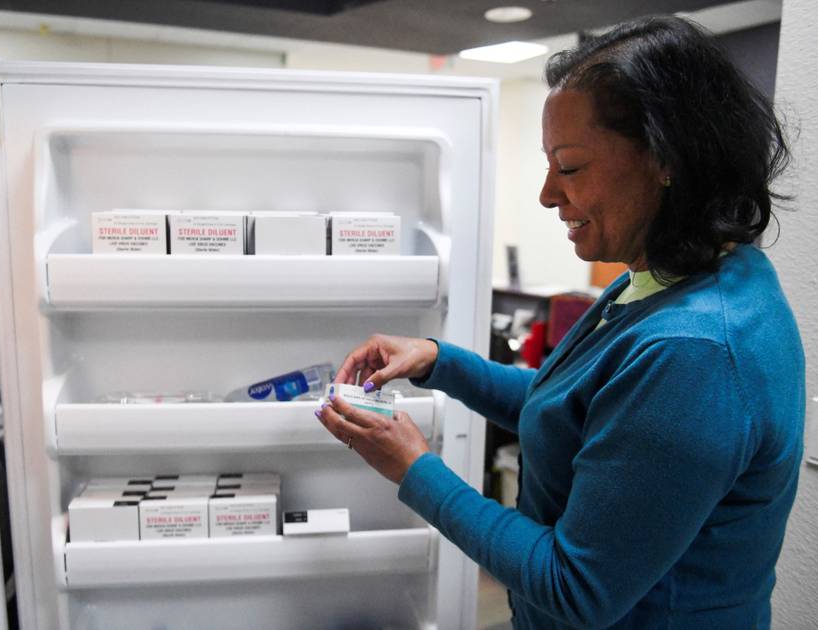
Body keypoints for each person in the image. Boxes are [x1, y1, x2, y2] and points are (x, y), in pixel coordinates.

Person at [314, 15, 805, 630]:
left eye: (569, 168)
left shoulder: (696, 351)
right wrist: (440, 361)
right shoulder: (673, 276)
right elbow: (576, 410)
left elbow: (576, 588)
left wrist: (416, 469)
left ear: (667, 160)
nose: (548, 194)